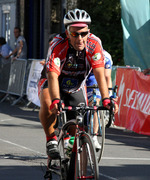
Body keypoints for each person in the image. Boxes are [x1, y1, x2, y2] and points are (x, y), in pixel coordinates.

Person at [40, 8, 118, 159]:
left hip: (75, 86)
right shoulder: (57, 45)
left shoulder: (94, 44)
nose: (80, 38)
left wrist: (106, 99)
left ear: (89, 31)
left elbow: (100, 74)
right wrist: (56, 99)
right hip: (53, 82)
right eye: (75, 34)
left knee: (77, 125)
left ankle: (70, 159)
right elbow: (52, 76)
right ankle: (51, 140)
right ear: (67, 33)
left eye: (84, 33)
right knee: (49, 103)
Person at [86, 50, 113, 149]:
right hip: (83, 76)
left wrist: (109, 95)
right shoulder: (86, 53)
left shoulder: (106, 57)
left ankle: (94, 136)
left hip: (95, 77)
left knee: (95, 104)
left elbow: (107, 77)